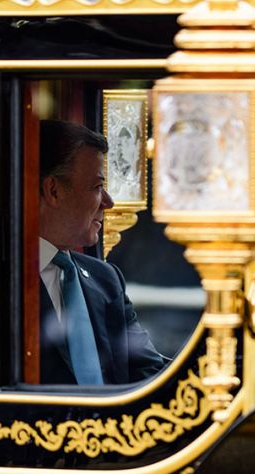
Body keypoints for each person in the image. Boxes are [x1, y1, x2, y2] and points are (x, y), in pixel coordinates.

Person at [37, 119, 165, 385]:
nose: (108, 202)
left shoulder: (105, 278)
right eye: (97, 187)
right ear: (53, 190)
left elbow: (149, 372)